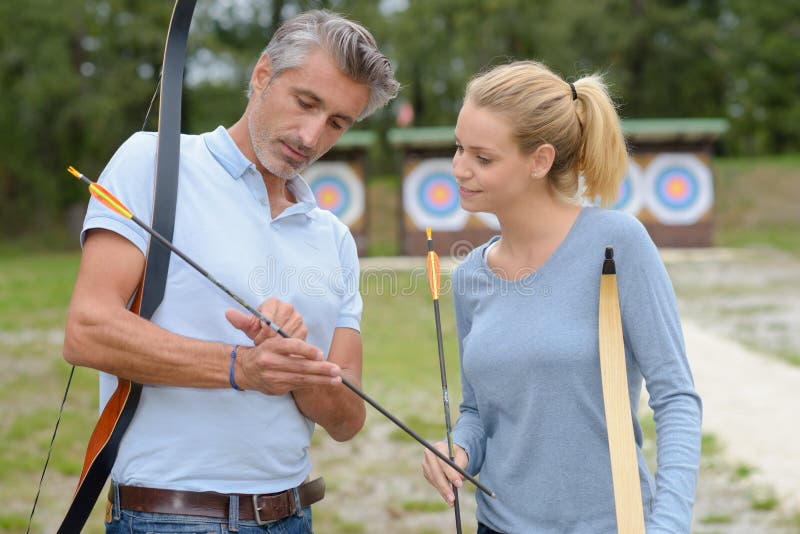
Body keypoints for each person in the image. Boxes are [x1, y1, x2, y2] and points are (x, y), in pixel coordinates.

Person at [63, 9, 399, 533]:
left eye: (337, 122)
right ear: (263, 74)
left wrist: (298, 366)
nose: (312, 137)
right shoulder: (153, 162)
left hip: (291, 516)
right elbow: (87, 330)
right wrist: (242, 367)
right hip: (168, 517)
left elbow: (347, 419)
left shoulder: (332, 236)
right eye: (306, 102)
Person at [421, 61, 702, 533]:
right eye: (458, 147)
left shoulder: (617, 243)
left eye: (482, 158)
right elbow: (477, 410)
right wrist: (459, 449)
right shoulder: (469, 276)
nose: (458, 168)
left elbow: (676, 397)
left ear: (540, 160)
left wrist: (669, 525)